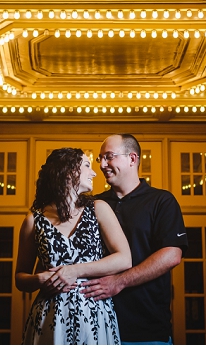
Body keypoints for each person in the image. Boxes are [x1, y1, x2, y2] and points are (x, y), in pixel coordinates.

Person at [17, 147, 132, 344]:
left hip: (94, 315)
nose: (95, 172)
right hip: (50, 318)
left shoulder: (98, 209)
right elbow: (20, 279)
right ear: (68, 171)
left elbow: (124, 259)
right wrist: (39, 279)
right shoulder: (33, 221)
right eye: (87, 165)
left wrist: (74, 271)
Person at [81, 134, 188, 345]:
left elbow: (172, 255)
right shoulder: (92, 204)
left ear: (132, 159)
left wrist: (119, 282)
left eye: (109, 157)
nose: (102, 165)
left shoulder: (161, 201)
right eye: (100, 158)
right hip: (95, 327)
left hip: (146, 331)